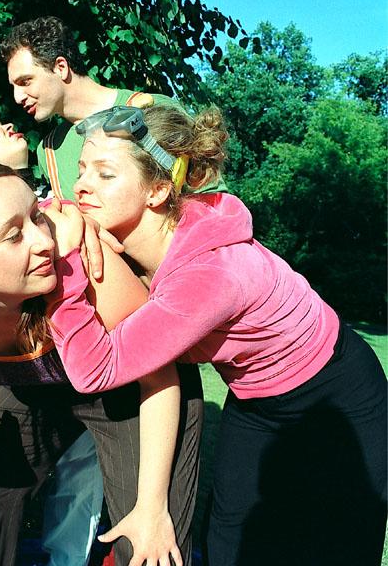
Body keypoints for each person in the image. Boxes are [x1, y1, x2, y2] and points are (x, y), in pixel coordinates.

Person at [43, 102, 388, 566]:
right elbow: (42, 212)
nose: (81, 185)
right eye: (82, 168)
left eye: (105, 175)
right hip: (255, 399)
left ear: (159, 190)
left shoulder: (209, 276)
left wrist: (63, 273)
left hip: (339, 394)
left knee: (337, 545)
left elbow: (98, 369)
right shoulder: (165, 227)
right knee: (231, 543)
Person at [0, 162, 204, 566]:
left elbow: (159, 378)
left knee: (148, 543)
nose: (43, 241)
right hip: (34, 391)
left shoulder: (90, 274)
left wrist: (151, 507)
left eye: (36, 215)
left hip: (134, 390)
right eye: (14, 235)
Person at [0, 113, 103, 566]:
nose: (10, 126)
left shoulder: (61, 210)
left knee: (81, 480)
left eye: (34, 217)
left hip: (86, 374)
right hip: (24, 377)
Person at [0, 15, 226, 200]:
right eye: (13, 87)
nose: (18, 97)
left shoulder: (153, 109)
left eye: (25, 81)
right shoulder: (48, 151)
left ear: (60, 67)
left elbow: (213, 202)